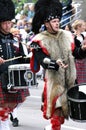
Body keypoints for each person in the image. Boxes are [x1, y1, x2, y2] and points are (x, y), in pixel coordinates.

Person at [30, 0, 76, 130]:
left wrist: (83, 50)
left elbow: (76, 53)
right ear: (46, 23)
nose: (57, 23)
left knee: (61, 115)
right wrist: (54, 63)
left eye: (58, 20)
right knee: (56, 114)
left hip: (70, 81)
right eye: (54, 21)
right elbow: (41, 60)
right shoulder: (39, 39)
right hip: (53, 82)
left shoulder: (68, 36)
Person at [0, 0, 30, 130]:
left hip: (14, 78)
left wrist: (30, 57)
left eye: (9, 23)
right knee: (3, 109)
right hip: (0, 77)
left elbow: (23, 59)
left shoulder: (16, 39)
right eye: (5, 23)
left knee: (10, 106)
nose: (8, 25)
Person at [72, 19, 86, 84]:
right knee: (76, 80)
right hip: (76, 61)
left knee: (83, 81)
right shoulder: (72, 36)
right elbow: (72, 49)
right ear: (78, 27)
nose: (84, 27)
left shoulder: (84, 36)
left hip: (84, 60)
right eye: (83, 25)